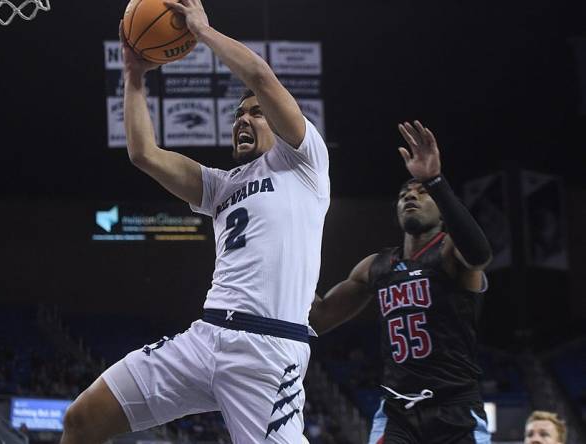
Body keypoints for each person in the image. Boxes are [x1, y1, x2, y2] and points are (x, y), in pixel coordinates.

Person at [60, 0, 329, 442]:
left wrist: (202, 32)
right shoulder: (221, 185)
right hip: (204, 337)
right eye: (238, 115)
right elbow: (143, 154)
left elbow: (261, 78)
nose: (244, 118)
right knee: (82, 419)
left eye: (255, 113)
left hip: (266, 349)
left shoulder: (303, 163)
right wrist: (134, 75)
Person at [309, 121, 493, 443]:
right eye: (404, 194)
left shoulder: (451, 251)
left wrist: (435, 181)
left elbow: (479, 255)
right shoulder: (376, 266)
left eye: (422, 194)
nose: (411, 196)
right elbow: (319, 319)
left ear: (441, 207)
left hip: (454, 408)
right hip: (398, 412)